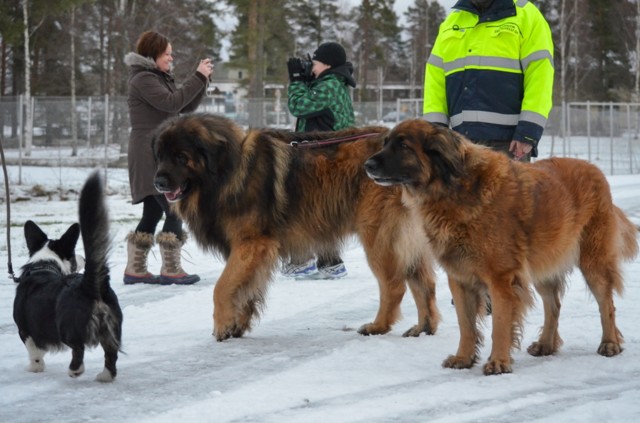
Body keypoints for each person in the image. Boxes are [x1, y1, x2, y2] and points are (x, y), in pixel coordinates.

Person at [122, 30, 213, 285]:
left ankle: (135, 269)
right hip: (148, 154)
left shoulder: (157, 77)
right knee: (174, 209)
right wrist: (197, 76)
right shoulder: (143, 79)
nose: (171, 58)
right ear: (153, 55)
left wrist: (203, 82)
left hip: (158, 150)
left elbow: (184, 107)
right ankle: (171, 269)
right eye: (167, 54)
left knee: (152, 212)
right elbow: (172, 103)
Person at [423, 0, 554, 163]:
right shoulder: (452, 21)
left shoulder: (527, 16)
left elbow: (540, 76)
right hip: (460, 147)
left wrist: (528, 132)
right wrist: (433, 134)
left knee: (509, 190)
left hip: (509, 146)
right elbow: (435, 80)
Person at [283, 41, 356, 279]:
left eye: (314, 63)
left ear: (327, 64)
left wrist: (296, 81)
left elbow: (298, 105)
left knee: (304, 209)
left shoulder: (331, 86)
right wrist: (306, 80)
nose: (311, 67)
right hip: (328, 159)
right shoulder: (333, 84)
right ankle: (328, 261)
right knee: (320, 211)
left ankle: (304, 260)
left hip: (322, 160)